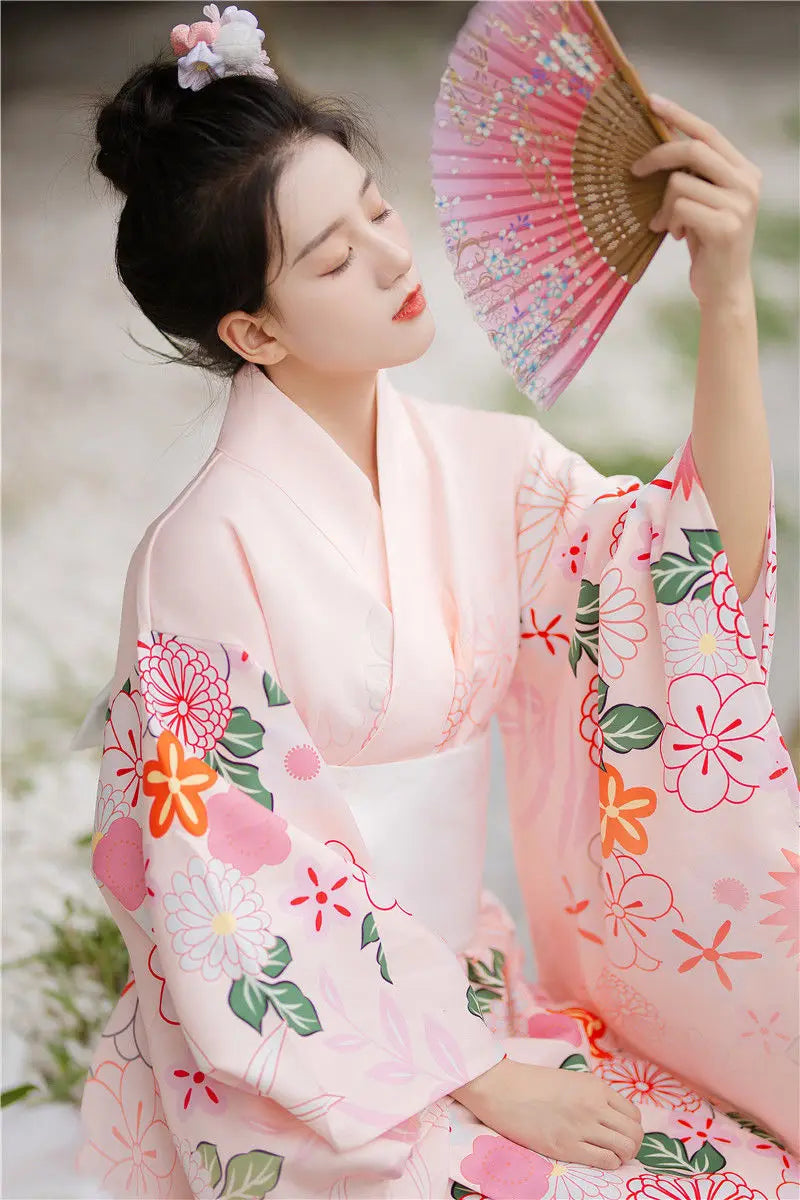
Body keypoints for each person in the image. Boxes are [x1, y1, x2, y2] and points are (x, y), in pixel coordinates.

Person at [75, 6, 798, 1198]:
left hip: (457, 988)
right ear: (252, 329)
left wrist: (721, 296)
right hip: (307, 1056)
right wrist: (469, 1073)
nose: (393, 257)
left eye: (374, 207)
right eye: (332, 256)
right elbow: (234, 893)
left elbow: (688, 578)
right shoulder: (200, 556)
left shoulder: (486, 470)